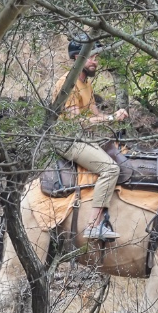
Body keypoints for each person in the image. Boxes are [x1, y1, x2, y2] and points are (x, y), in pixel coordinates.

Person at [55, 37, 129, 242]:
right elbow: (76, 122)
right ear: (79, 58)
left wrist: (116, 116)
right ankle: (93, 226)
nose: (96, 61)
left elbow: (94, 114)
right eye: (92, 57)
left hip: (83, 138)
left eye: (96, 57)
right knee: (110, 168)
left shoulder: (86, 83)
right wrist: (111, 118)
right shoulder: (67, 83)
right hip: (68, 140)